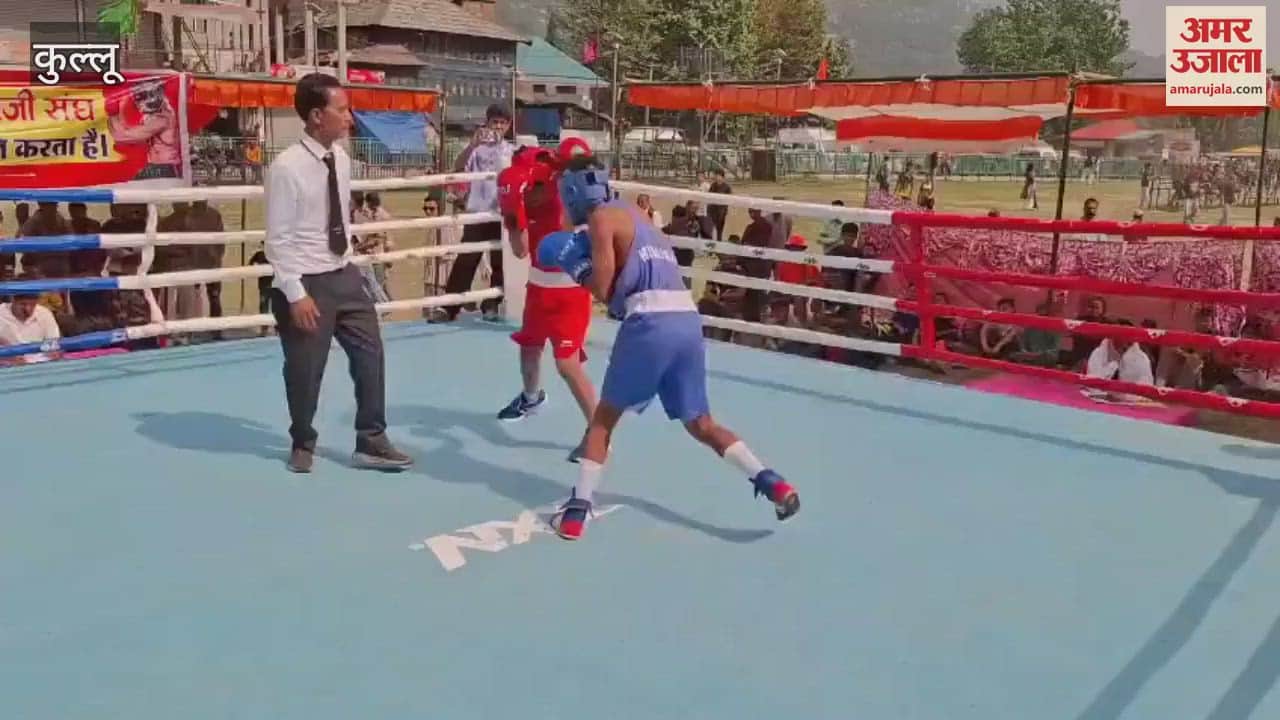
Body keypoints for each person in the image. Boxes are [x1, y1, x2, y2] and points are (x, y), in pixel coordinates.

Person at [536, 156, 800, 541]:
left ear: (572, 191)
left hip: (650, 322)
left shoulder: (601, 220)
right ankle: (771, 481)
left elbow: (605, 290)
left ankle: (577, 511)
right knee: (702, 424)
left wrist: (577, 267)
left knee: (603, 421)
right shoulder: (640, 215)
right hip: (687, 322)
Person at [264, 72, 412, 473]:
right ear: (317, 116)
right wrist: (296, 294)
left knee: (370, 354)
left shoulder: (341, 160)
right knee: (305, 369)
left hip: (343, 274)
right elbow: (277, 240)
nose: (349, 118)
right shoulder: (286, 168)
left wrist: (351, 264)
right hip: (304, 281)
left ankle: (372, 439)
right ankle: (302, 441)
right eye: (342, 109)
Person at [494, 144, 598, 462]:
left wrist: (547, 191)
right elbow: (521, 250)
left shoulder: (577, 199)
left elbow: (566, 231)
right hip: (538, 287)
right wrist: (514, 212)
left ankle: (599, 433)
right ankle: (531, 398)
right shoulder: (531, 193)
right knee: (529, 346)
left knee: (567, 365)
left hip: (570, 293)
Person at [439, 104, 516, 322]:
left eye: (502, 123)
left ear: (508, 126)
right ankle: (449, 307)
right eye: (495, 122)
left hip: (501, 212)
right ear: (487, 123)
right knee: (466, 259)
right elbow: (458, 167)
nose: (498, 126)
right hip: (477, 211)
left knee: (500, 262)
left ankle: (492, 305)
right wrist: (472, 144)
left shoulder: (512, 151)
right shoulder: (476, 149)